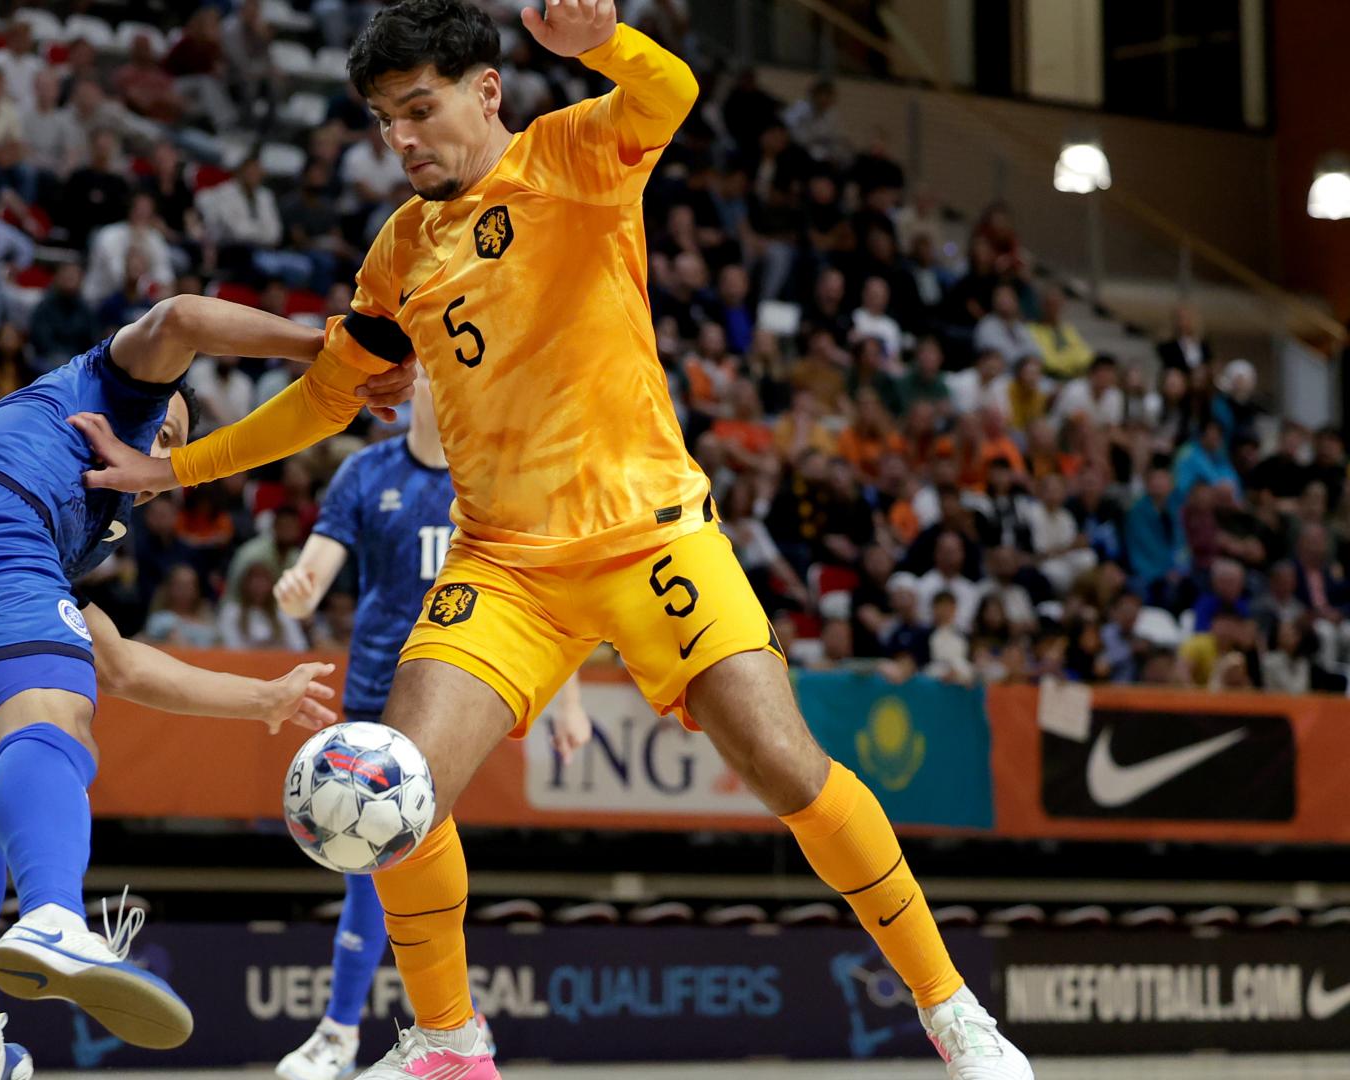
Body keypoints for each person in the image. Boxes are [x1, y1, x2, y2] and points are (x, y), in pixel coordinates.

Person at [75, 4, 1031, 1077]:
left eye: (420, 109)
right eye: (387, 120)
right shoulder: (400, 251)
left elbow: (670, 95)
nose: (403, 140)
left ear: (485, 91)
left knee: (787, 770)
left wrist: (603, 46)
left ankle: (954, 1013)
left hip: (650, 535)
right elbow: (324, 399)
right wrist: (175, 468)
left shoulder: (573, 153)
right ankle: (447, 1041)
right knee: (396, 787)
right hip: (506, 568)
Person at [0, 293, 411, 1080]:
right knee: (56, 724)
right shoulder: (114, 392)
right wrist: (326, 352)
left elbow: (124, 664)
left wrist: (263, 700)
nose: (161, 460)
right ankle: (55, 915)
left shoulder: (67, 531)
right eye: (166, 435)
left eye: (173, 455)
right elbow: (179, 319)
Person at [271, 367, 588, 1080]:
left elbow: (549, 598)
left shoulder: (495, 479)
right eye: (433, 377)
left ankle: (352, 1035)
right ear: (415, 386)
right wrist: (299, 592)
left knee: (389, 863)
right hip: (372, 702)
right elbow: (313, 575)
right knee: (372, 865)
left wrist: (568, 705)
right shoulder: (365, 471)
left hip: (458, 699)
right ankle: (444, 1030)